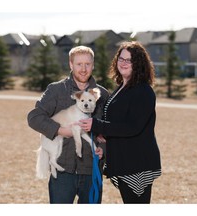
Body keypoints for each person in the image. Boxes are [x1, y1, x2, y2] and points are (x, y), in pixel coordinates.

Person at [79, 41, 161, 204]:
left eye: (129, 60)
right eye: (121, 59)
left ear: (138, 64)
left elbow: (133, 127)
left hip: (137, 165)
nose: (123, 63)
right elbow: (118, 123)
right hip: (125, 161)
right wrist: (105, 139)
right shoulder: (123, 87)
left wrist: (97, 125)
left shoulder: (143, 91)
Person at [27, 45, 109, 203]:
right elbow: (34, 117)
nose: (83, 69)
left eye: (87, 64)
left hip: (91, 171)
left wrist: (103, 150)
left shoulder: (102, 94)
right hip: (63, 171)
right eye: (79, 64)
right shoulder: (56, 90)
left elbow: (109, 130)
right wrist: (60, 130)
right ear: (71, 65)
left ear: (93, 65)